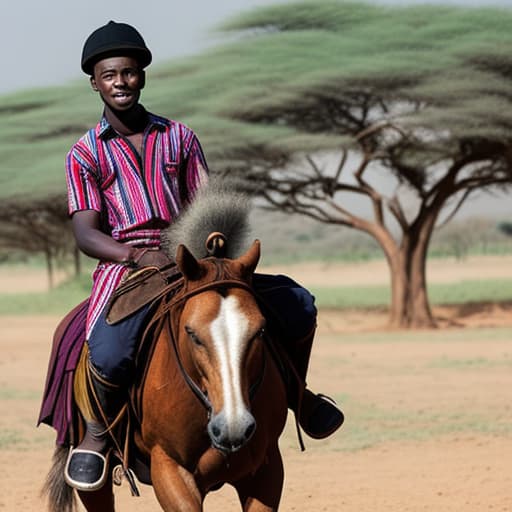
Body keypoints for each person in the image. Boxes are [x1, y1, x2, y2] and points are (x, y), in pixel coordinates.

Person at [63, 20, 343, 492]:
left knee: (297, 304)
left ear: (142, 75)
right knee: (109, 351)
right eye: (110, 75)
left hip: (193, 257)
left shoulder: (180, 138)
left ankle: (299, 394)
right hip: (128, 266)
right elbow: (86, 233)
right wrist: (135, 255)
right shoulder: (85, 153)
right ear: (95, 82)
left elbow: (205, 202)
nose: (121, 83)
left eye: (129, 73)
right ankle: (96, 436)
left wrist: (213, 237)